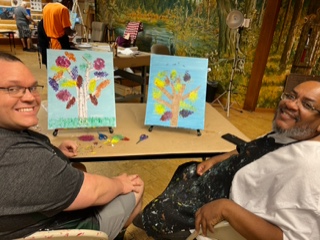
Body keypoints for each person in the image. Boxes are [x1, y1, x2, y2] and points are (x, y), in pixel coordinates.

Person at [134, 80, 320, 240]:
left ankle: (146, 220)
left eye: (307, 105)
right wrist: (218, 160)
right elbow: (253, 150)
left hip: (207, 211)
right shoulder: (296, 133)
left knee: (158, 213)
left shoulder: (307, 168)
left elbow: (291, 237)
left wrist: (226, 209)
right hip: (209, 185)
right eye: (291, 96)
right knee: (185, 171)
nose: (291, 104)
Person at [0, 51, 144, 240]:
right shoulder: (19, 157)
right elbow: (94, 191)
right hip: (54, 229)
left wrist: (54, 151)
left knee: (79, 167)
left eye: (33, 88)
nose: (30, 97)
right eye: (13, 89)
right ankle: (116, 233)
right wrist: (120, 183)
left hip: (28, 219)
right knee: (135, 186)